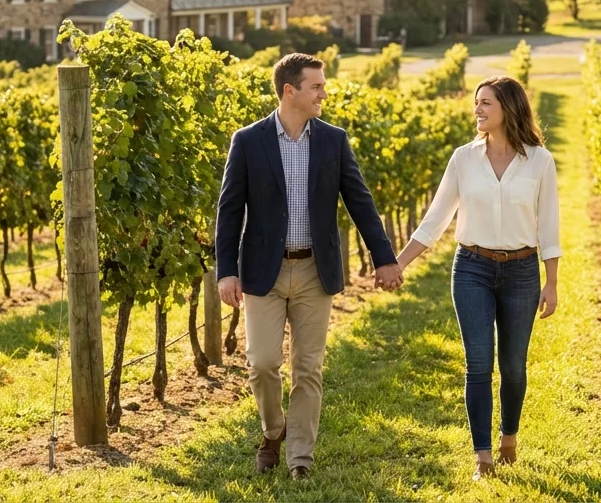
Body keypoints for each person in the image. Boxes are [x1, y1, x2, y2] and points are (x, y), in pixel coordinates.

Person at [215, 52, 403, 480]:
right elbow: (229, 210)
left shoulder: (333, 140)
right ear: (290, 91)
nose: (324, 94)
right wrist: (227, 271)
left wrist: (384, 258)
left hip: (316, 271)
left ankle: (300, 458)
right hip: (263, 272)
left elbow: (360, 201)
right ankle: (273, 431)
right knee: (262, 363)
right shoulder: (248, 140)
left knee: (308, 369)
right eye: (316, 86)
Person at [394, 75, 560, 481]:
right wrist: (398, 264)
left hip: (522, 271)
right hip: (472, 267)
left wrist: (551, 281)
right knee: (478, 364)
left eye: (486, 103)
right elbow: (435, 220)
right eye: (477, 102)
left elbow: (549, 225)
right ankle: (483, 456)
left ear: (509, 108)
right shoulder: (463, 158)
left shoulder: (540, 161)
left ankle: (509, 438)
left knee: (514, 366)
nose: (478, 109)